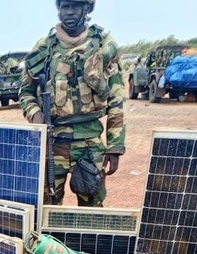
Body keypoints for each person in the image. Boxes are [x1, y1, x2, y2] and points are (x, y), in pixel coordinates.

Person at [19, 0, 125, 206]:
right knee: (46, 206)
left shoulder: (102, 47)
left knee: (91, 207)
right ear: (59, 9)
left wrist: (115, 146)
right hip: (53, 142)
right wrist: (35, 113)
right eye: (65, 6)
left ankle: (88, 240)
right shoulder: (45, 48)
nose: (69, 12)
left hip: (89, 143)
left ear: (87, 9)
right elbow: (25, 92)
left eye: (75, 6)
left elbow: (116, 99)